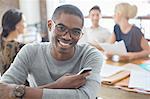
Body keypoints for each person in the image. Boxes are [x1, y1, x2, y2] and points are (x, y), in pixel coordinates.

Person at [0, 4, 103, 99]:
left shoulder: (91, 55)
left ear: (81, 35)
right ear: (50, 25)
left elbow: (86, 96)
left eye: (75, 32)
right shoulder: (30, 51)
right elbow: (2, 91)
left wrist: (20, 93)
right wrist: (57, 85)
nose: (67, 36)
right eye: (61, 28)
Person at [0, 9, 26, 76]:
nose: (25, 25)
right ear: (17, 25)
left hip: (4, 84)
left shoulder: (2, 42)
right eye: (24, 22)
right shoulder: (21, 47)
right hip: (19, 85)